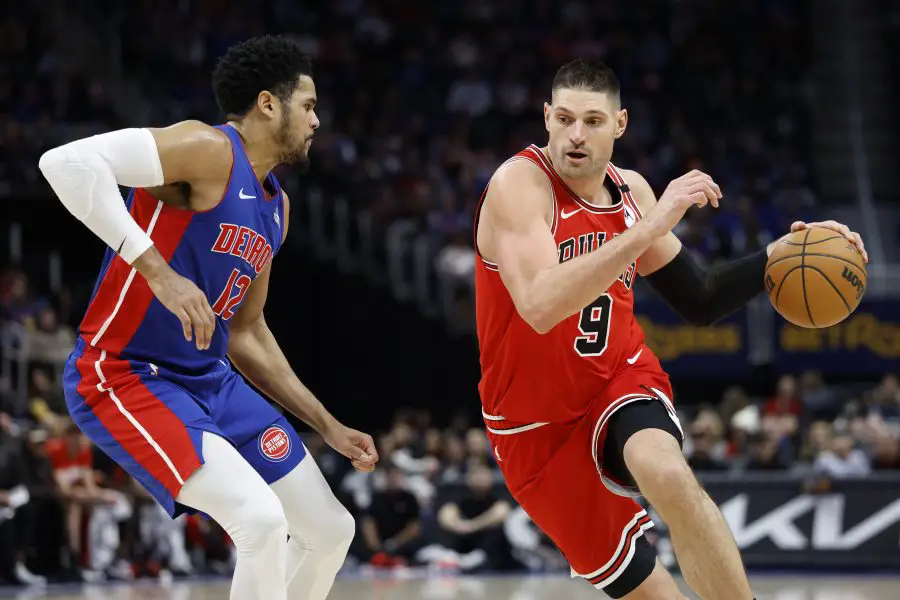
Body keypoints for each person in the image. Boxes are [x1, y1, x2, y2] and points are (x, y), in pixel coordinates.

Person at [473, 58, 867, 600]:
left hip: (616, 381)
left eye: (592, 120)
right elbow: (541, 305)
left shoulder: (631, 189)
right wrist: (649, 228)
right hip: (532, 429)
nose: (575, 135)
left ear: (621, 124)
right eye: (564, 119)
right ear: (546, 118)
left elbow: (700, 297)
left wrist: (780, 254)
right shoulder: (519, 186)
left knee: (667, 473)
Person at [38, 35, 377, 600]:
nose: (318, 120)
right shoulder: (207, 149)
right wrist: (157, 270)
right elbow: (65, 163)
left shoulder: (277, 209)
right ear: (269, 103)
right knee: (261, 521)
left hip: (209, 379)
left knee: (330, 530)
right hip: (124, 373)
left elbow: (246, 333)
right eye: (309, 105)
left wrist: (327, 424)